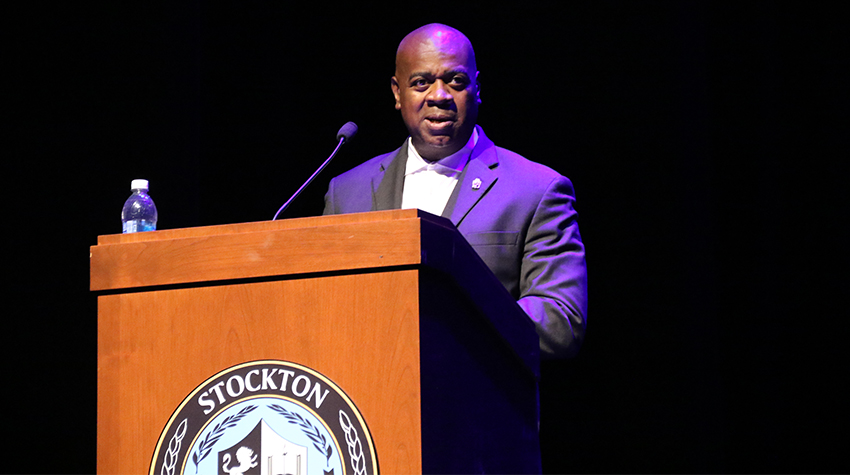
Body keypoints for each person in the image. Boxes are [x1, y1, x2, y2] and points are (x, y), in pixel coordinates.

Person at [323, 23, 587, 359]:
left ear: (477, 88)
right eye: (421, 82)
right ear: (397, 93)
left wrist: (447, 317)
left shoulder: (536, 190)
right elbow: (324, 305)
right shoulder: (346, 192)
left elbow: (560, 322)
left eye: (455, 81)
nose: (439, 96)